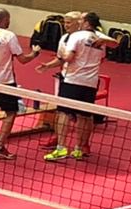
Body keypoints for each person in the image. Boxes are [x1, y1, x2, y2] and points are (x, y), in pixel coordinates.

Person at [43, 11, 116, 162]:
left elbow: (69, 57)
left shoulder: (76, 36)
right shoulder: (100, 39)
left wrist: (62, 56)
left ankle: (61, 148)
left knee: (63, 112)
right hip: (90, 82)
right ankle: (79, 149)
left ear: (87, 23)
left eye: (82, 20)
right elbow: (104, 55)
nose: (80, 22)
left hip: (72, 80)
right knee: (85, 116)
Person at [0, 9, 37, 158]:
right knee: (11, 113)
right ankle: (0, 146)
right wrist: (35, 53)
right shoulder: (9, 36)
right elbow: (22, 60)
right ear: (5, 20)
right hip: (6, 82)